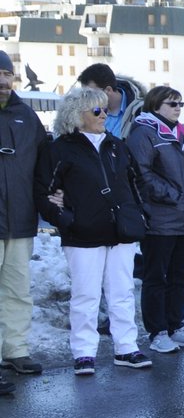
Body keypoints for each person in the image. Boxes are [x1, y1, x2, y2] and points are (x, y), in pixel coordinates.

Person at [36, 87, 152, 375]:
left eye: (105, 110)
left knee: (122, 292)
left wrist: (138, 215)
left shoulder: (117, 146)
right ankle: (84, 352)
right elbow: (43, 193)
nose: (104, 115)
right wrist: (67, 219)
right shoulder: (60, 149)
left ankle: (126, 348)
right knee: (85, 295)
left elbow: (136, 184)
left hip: (121, 232)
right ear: (77, 116)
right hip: (82, 235)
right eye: (97, 111)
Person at [124, 86, 184, 353]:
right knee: (156, 278)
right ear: (155, 105)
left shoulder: (182, 133)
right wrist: (174, 194)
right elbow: (141, 174)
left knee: (180, 277)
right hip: (160, 218)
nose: (177, 108)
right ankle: (157, 332)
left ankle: (176, 326)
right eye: (172, 103)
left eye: (180, 103)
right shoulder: (144, 132)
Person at [0, 50, 48, 392]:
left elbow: (44, 165)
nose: (3, 82)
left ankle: (15, 350)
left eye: (7, 75)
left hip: (19, 219)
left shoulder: (26, 116)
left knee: (18, 291)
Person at [76, 63, 141, 139]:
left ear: (108, 90)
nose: (87, 97)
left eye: (92, 93)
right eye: (85, 93)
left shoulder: (140, 111)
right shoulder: (83, 111)